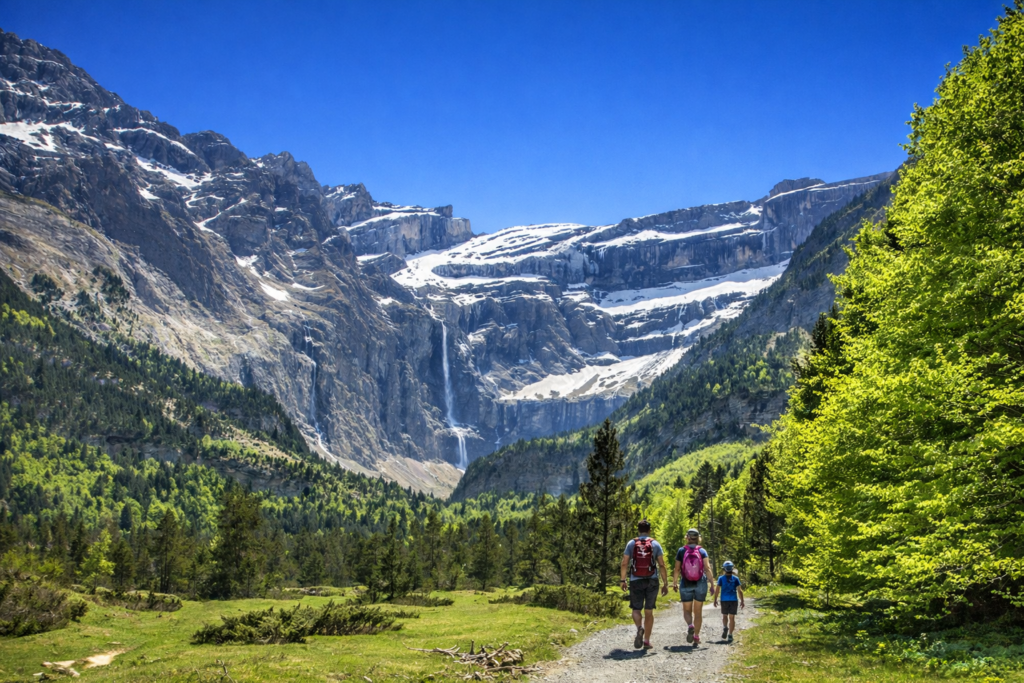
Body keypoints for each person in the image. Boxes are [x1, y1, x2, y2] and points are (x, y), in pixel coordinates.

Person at [620, 519, 669, 650]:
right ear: (649, 530)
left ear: (638, 530)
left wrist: (623, 580)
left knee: (636, 609)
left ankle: (639, 628)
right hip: (652, 580)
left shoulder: (631, 543)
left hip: (635, 580)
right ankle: (646, 641)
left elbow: (624, 563)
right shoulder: (655, 544)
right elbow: (662, 565)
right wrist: (665, 583)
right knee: (649, 611)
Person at [672, 528, 716, 646]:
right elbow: (707, 568)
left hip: (686, 582)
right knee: (698, 612)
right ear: (698, 538)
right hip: (700, 582)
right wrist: (712, 584)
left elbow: (677, 568)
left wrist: (675, 582)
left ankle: (690, 625)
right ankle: (696, 637)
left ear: (687, 537)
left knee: (687, 610)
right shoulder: (702, 551)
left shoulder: (681, 550)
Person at [713, 560, 744, 642]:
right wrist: (742, 601)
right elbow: (740, 591)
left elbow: (717, 590)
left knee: (724, 615)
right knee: (732, 618)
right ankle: (730, 635)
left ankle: (725, 627)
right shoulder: (736, 579)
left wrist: (715, 600)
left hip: (724, 600)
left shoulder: (721, 578)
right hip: (733, 600)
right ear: (732, 569)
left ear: (724, 569)